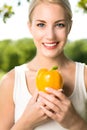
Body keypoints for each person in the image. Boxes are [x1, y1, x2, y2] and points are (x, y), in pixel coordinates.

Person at [0, 0, 87, 130]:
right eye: (41, 24)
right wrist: (26, 122)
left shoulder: (85, 77)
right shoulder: (11, 82)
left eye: (60, 25)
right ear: (30, 27)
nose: (50, 36)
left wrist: (75, 123)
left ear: (70, 26)